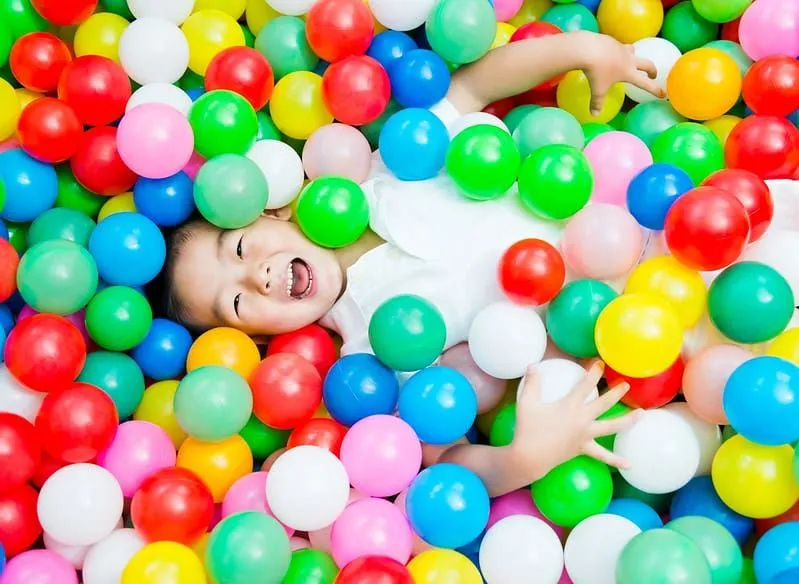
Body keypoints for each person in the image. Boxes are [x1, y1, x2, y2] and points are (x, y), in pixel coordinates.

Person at [157, 30, 796, 497]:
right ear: (264, 338)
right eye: (238, 301)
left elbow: (475, 84)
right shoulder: (369, 366)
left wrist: (582, 48)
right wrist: (526, 459)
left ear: (267, 213)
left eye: (239, 250)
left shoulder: (392, 165)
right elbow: (444, 457)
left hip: (674, 215)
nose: (258, 275)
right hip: (654, 332)